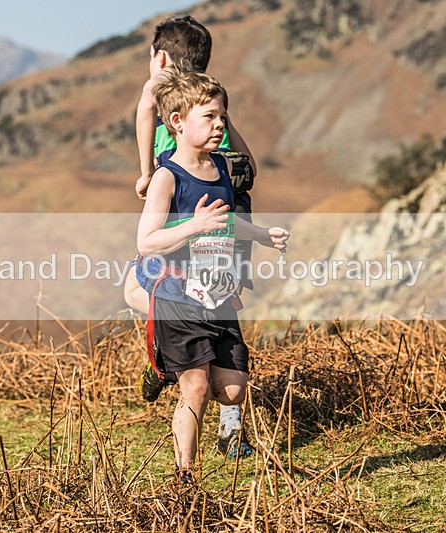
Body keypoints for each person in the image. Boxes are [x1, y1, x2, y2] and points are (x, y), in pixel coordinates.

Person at [136, 67, 288, 479]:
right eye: (209, 116)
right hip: (176, 295)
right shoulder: (167, 178)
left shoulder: (222, 168)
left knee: (233, 390)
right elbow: (146, 241)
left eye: (222, 116)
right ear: (178, 122)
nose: (220, 124)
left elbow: (226, 222)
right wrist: (193, 226)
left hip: (217, 294)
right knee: (197, 388)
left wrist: (262, 235)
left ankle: (163, 365)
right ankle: (185, 476)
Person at [125, 15, 259, 458]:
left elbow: (146, 107)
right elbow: (249, 167)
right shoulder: (210, 108)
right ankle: (227, 427)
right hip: (225, 226)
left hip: (197, 226)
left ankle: (167, 359)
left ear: (160, 57)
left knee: (137, 289)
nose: (217, 123)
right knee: (217, 305)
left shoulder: (172, 102)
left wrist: (145, 172)